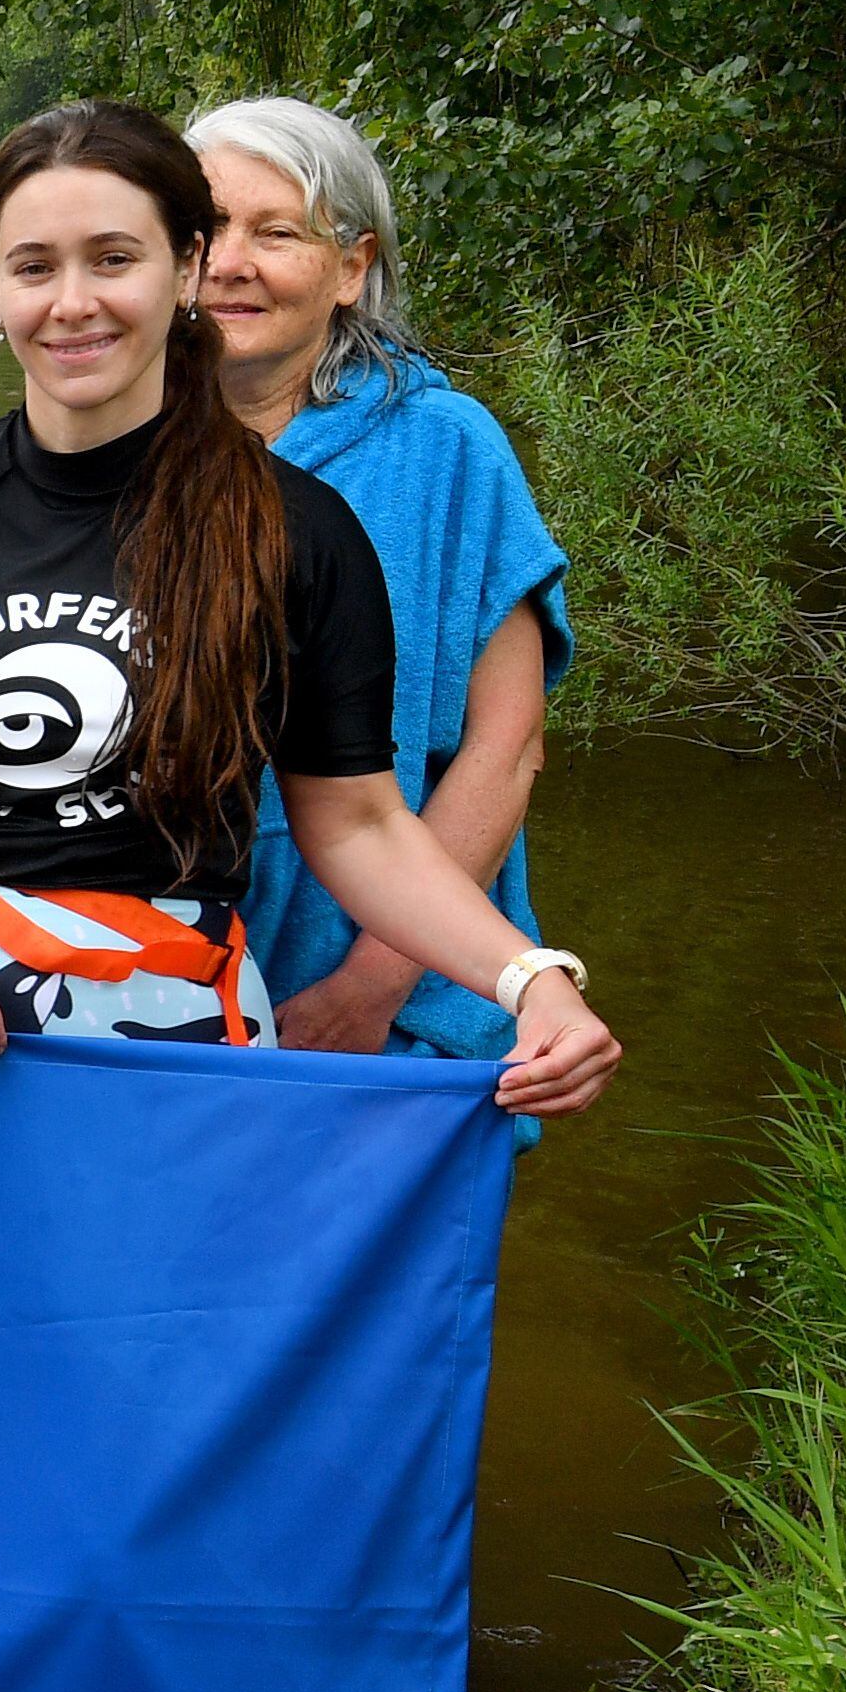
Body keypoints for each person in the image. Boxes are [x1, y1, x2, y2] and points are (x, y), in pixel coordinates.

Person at [0, 101, 620, 1115]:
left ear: (185, 270)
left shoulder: (298, 530)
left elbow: (363, 829)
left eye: (114, 258)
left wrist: (531, 979)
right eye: (35, 266)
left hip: (166, 1035)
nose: (73, 302)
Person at [189, 97, 574, 1087]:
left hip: (395, 969)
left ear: (353, 267)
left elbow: (505, 741)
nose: (230, 261)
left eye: (276, 232)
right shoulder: (108, 444)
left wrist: (377, 979)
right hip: (149, 975)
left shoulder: (446, 448)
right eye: (206, 228)